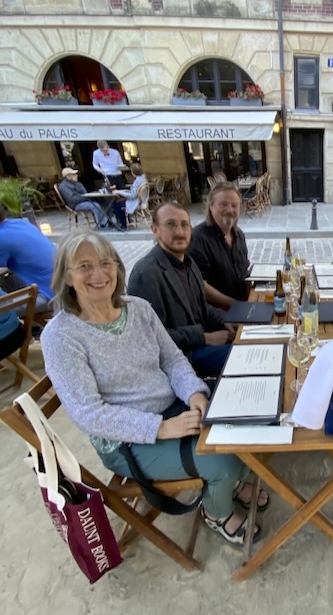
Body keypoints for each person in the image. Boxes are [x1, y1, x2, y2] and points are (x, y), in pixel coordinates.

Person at [41, 231, 268, 546]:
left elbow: (173, 360)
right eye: (84, 266)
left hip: (175, 406)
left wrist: (195, 393)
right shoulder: (61, 336)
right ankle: (217, 512)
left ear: (117, 268)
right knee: (224, 459)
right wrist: (161, 428)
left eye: (105, 262)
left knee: (246, 416)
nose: (98, 274)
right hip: (127, 441)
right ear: (66, 276)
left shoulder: (138, 309)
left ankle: (230, 482)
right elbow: (88, 414)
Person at [128, 201, 234, 377]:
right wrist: (205, 338)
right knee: (247, 355)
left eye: (184, 225)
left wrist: (225, 320)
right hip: (182, 358)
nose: (179, 232)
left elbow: (202, 307)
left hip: (203, 343)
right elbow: (151, 337)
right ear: (155, 230)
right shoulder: (145, 274)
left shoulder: (188, 263)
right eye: (171, 224)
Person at [189, 182, 250, 309]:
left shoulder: (239, 235)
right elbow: (200, 285)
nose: (230, 210)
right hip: (218, 314)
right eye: (223, 204)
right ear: (211, 206)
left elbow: (245, 272)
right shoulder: (198, 238)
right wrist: (235, 305)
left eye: (234, 205)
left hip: (243, 305)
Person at [0, 203, 56, 310]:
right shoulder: (20, 223)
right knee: (6, 280)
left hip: (47, 296)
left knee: (3, 310)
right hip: (61, 287)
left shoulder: (1, 237)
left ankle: (24, 325)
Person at [112, 162, 146, 228]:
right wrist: (122, 192)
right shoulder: (143, 179)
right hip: (141, 200)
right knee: (119, 202)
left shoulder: (137, 181)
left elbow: (132, 195)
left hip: (136, 202)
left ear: (133, 172)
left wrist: (119, 192)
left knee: (116, 205)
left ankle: (123, 224)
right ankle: (128, 221)